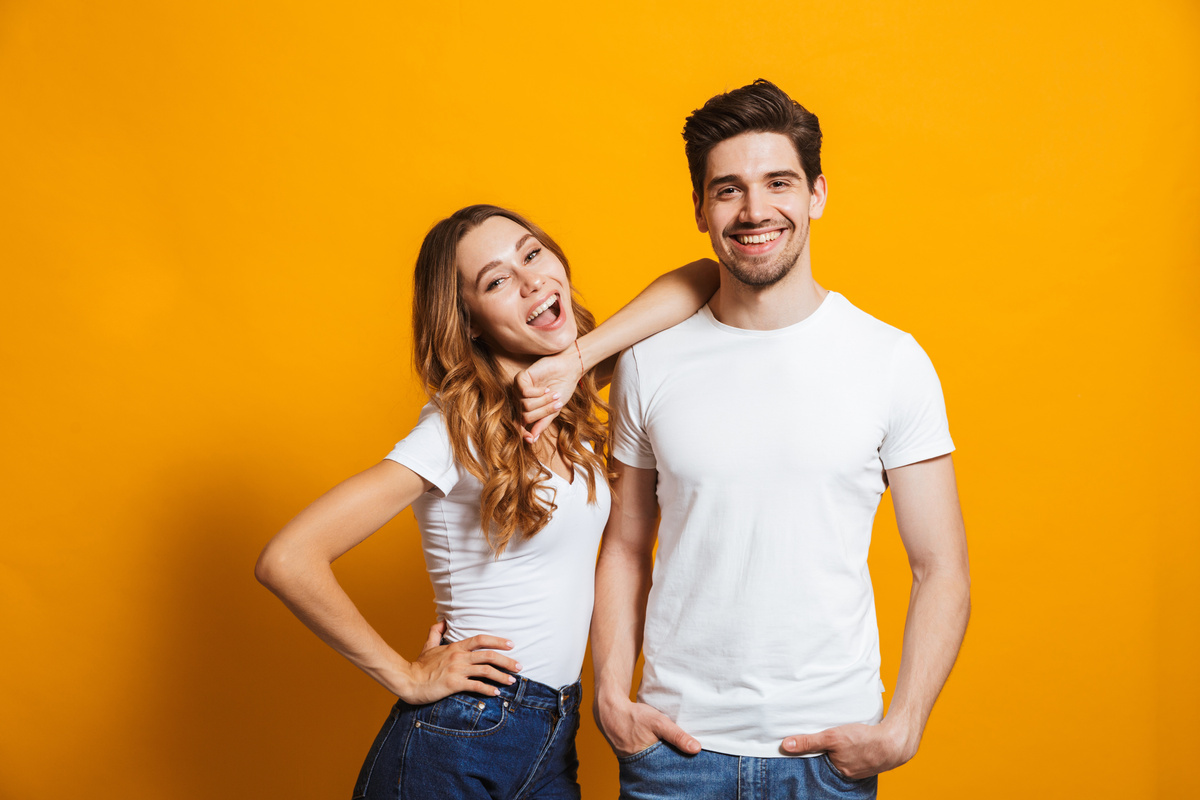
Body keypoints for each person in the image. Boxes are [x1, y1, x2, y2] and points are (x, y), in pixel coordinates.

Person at [520, 80, 971, 799]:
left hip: (828, 758)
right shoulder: (648, 358)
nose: (755, 210)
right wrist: (612, 696)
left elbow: (940, 565)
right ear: (700, 209)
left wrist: (904, 725)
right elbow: (627, 545)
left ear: (817, 194)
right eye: (728, 189)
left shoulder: (891, 359)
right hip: (674, 754)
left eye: (778, 183)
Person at [255, 203, 717, 800]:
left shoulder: (559, 400)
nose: (531, 282)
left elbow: (701, 278)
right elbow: (288, 558)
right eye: (496, 281)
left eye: (532, 253)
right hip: (462, 732)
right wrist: (405, 675)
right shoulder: (456, 430)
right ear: (469, 321)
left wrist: (574, 362)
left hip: (553, 732)